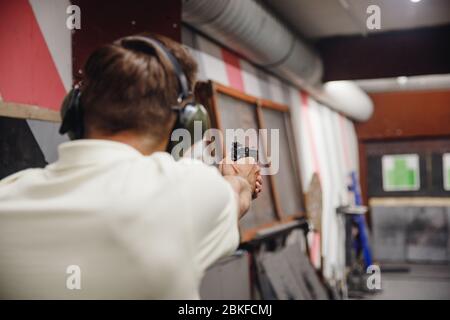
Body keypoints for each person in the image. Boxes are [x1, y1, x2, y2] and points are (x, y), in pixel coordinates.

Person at [0, 34, 262, 299]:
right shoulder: (189, 190)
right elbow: (237, 195)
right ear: (186, 123)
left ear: (74, 111)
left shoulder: (6, 199)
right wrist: (243, 178)